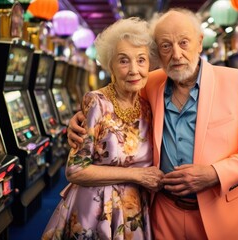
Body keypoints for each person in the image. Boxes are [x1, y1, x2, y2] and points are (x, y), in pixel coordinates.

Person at [67, 8, 238, 240]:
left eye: (184, 42)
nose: (176, 54)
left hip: (220, 212)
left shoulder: (237, 81)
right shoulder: (149, 83)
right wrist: (80, 119)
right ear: (158, 51)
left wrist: (214, 173)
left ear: (199, 42)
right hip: (163, 213)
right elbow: (116, 106)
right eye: (166, 46)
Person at [42, 17, 164, 240]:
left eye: (141, 60)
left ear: (150, 65)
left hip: (132, 210)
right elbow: (75, 170)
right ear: (110, 65)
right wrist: (137, 175)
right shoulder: (96, 102)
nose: (134, 70)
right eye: (124, 61)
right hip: (95, 209)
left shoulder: (148, 105)